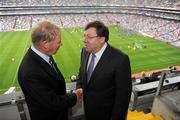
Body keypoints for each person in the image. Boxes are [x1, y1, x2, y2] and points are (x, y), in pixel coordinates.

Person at [18, 21, 82, 120]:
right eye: (59, 42)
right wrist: (75, 96)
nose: (61, 45)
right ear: (45, 44)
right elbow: (53, 102)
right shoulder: (29, 72)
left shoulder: (43, 55)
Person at [76, 21, 132, 120]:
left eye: (89, 37)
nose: (84, 40)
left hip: (107, 115)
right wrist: (79, 87)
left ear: (102, 39)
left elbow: (123, 97)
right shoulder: (84, 51)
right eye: (84, 36)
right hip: (88, 112)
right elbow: (81, 74)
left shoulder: (120, 59)